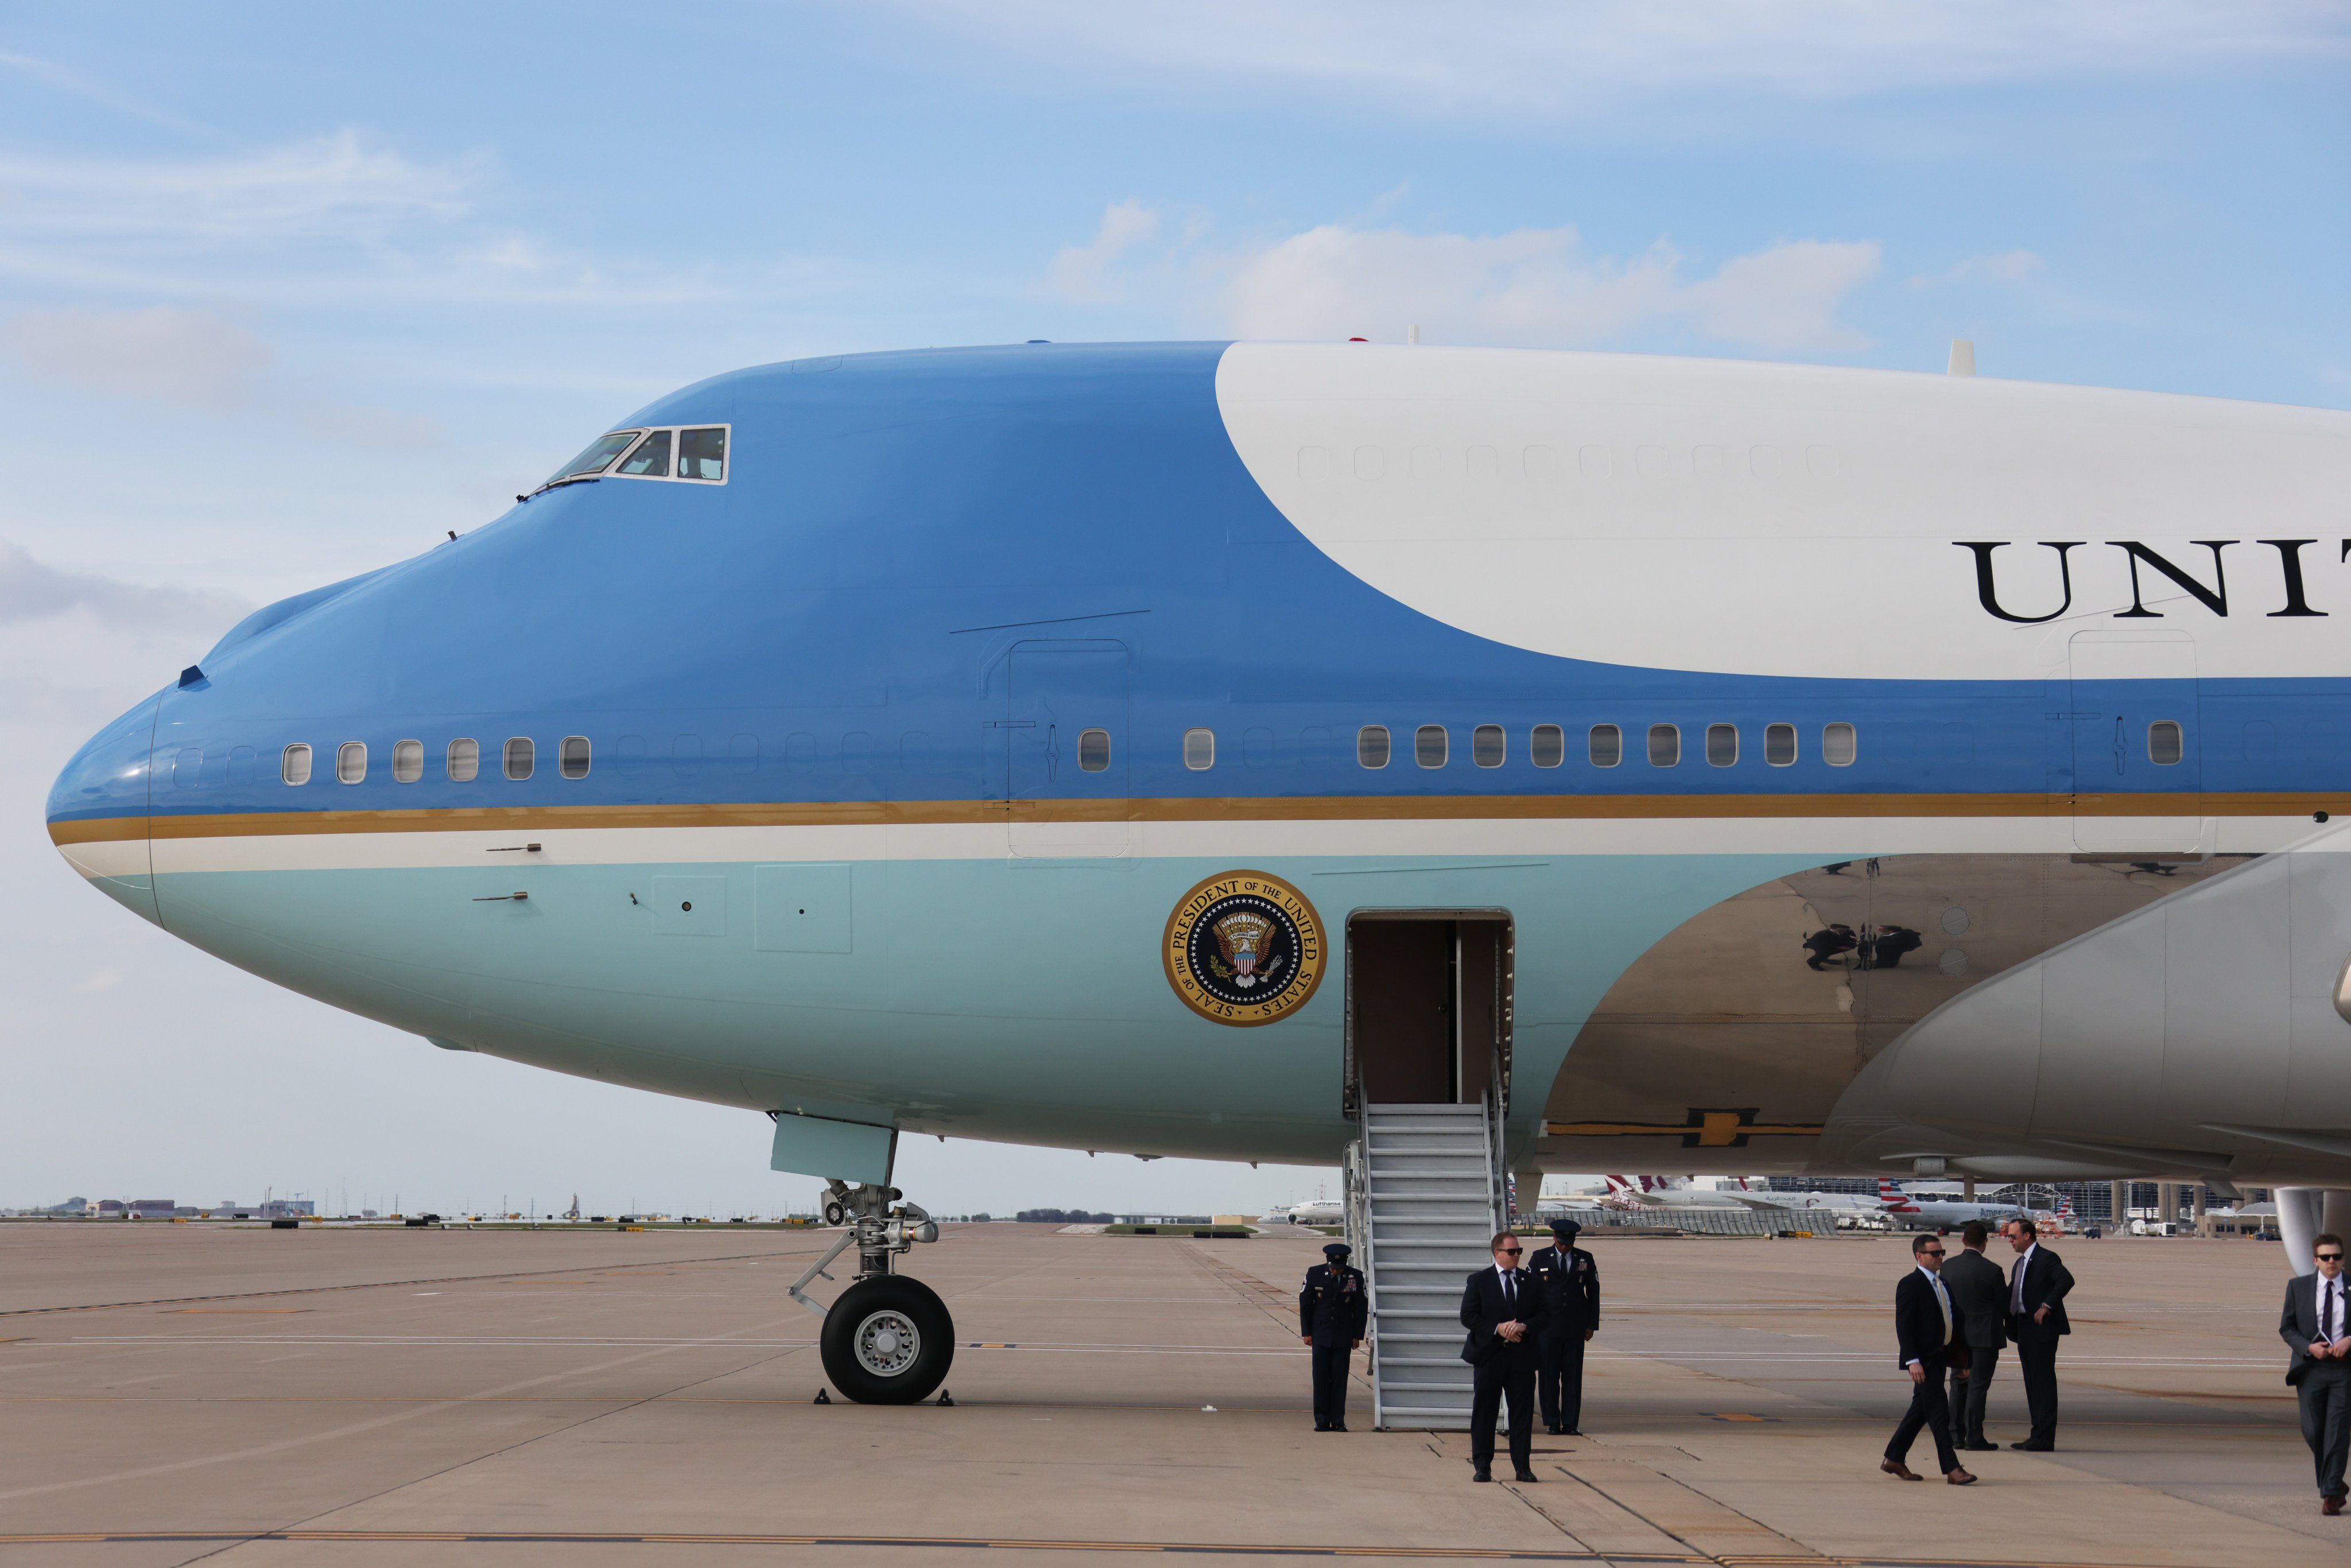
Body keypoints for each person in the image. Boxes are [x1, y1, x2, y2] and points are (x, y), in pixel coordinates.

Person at [1883, 1233, 1977, 1485]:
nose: (1940, 1257)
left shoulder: (1942, 1283)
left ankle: (1894, 1458)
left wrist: (1962, 1361)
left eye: (1942, 1252)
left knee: (1920, 1411)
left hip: (1940, 1358)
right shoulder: (1910, 1284)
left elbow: (1954, 1321)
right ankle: (1953, 1469)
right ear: (1919, 1256)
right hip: (1922, 1362)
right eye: (1935, 1253)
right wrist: (1912, 1360)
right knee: (1939, 1413)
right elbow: (1904, 1326)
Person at [1460, 1231, 1546, 1483]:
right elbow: (1469, 1316)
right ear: (1497, 1253)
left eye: (1519, 1251)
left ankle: (1522, 1467)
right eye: (1512, 1252)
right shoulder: (1479, 1281)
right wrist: (1499, 1329)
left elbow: (1544, 1315)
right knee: (1485, 1412)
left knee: (1521, 1414)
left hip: (1522, 1358)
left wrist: (1523, 1327)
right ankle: (1483, 1466)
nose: (1517, 1255)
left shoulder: (1531, 1281)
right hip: (1490, 1356)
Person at [2280, 1231, 2351, 1515]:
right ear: (2315, 1260)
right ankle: (2335, 1482)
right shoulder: (2298, 1288)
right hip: (2311, 1369)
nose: (2331, 1261)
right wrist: (2309, 1348)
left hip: (2344, 1370)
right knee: (2313, 1431)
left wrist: (2349, 1340)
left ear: (2343, 1259)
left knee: (2337, 1432)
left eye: (2336, 1256)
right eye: (2325, 1257)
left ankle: (2331, 1494)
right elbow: (2287, 1328)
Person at [2001, 1216, 2074, 1450]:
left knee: (2043, 1382)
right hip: (2024, 1328)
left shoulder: (2046, 1258)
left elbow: (2066, 1280)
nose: (2009, 1240)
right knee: (2032, 1383)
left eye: (2013, 1236)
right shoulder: (2020, 1263)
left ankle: (2045, 1438)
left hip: (2042, 1330)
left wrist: (2047, 1305)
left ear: (2027, 1236)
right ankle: (2036, 1434)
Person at [1526, 1217, 1599, 1435]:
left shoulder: (1585, 1259)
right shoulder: (1539, 1258)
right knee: (1548, 1377)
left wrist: (1591, 1325)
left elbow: (1593, 1293)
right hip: (1547, 1329)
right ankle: (1552, 1422)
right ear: (1555, 1238)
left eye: (1569, 1243)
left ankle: (1570, 1423)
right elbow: (1529, 1293)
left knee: (1572, 1377)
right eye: (1561, 1243)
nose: (1565, 1247)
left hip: (1575, 1328)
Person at [1939, 1220, 2007, 1451]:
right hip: (1985, 1337)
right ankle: (1975, 1437)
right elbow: (2005, 1305)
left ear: (1963, 1240)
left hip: (1957, 1337)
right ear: (1985, 1243)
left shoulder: (1947, 1267)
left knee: (1958, 1383)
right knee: (1979, 1386)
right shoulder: (1992, 1270)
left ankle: (1956, 1435)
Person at [1298, 1240, 1368, 1432]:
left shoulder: (1355, 1276)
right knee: (1320, 1378)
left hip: (1344, 1335)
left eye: (1339, 1268)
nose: (1336, 1271)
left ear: (1345, 1263)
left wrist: (1357, 1335)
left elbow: (1361, 1307)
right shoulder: (1315, 1273)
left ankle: (1338, 1420)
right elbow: (1305, 1303)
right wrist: (1307, 1332)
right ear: (1328, 1262)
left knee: (1339, 1378)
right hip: (1320, 1334)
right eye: (1333, 1268)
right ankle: (1321, 1420)